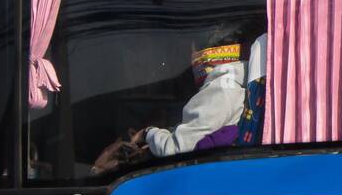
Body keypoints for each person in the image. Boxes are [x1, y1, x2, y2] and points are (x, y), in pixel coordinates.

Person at [91, 22, 252, 174]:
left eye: (194, 50)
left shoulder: (221, 88)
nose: (192, 58)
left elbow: (177, 148)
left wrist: (148, 134)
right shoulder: (243, 82)